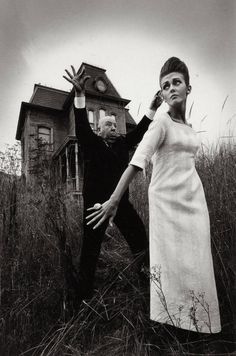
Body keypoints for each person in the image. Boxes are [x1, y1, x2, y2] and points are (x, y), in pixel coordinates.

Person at [87, 57, 221, 335]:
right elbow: (137, 161)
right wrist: (113, 201)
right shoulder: (160, 123)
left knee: (197, 259)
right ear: (162, 93)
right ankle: (172, 323)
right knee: (171, 261)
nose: (172, 88)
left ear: (188, 87)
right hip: (165, 200)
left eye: (177, 82)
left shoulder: (189, 127)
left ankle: (202, 320)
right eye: (166, 85)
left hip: (193, 199)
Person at [63, 65, 163, 303]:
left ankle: (148, 283)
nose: (115, 127)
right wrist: (79, 95)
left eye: (115, 124)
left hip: (121, 204)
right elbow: (81, 123)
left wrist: (153, 108)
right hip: (96, 208)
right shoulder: (91, 143)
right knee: (90, 252)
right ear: (99, 129)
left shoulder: (121, 145)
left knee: (140, 239)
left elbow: (139, 131)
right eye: (109, 124)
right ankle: (83, 298)